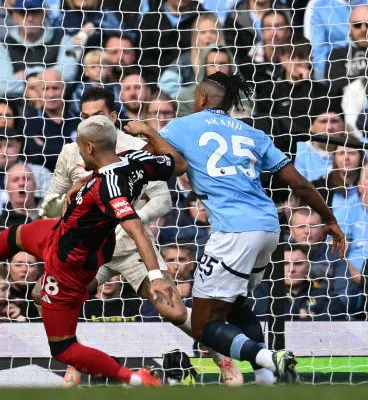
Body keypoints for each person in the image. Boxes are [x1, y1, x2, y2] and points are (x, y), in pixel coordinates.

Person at [0, 115, 189, 387]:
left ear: (90, 148)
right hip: (63, 234)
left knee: (63, 348)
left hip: (67, 264)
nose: (78, 151)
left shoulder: (111, 188)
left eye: (79, 146)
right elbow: (178, 164)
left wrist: (156, 276)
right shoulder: (134, 160)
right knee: (20, 233)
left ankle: (134, 378)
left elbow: (137, 229)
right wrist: (150, 133)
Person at [146, 71, 346, 385]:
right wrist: (330, 219)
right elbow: (300, 185)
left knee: (202, 326)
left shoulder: (182, 125)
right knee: (236, 304)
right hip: (268, 228)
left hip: (233, 232)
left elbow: (169, 161)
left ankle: (271, 358)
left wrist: (147, 131)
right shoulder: (252, 133)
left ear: (200, 99)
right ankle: (267, 379)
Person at [41, 87, 242, 386]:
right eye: (83, 118)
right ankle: (75, 359)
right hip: (90, 252)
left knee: (171, 309)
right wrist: (61, 205)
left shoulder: (137, 148)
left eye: (95, 117)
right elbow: (52, 201)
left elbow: (162, 201)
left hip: (131, 245)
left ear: (112, 116)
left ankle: (221, 357)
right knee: (41, 295)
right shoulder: (72, 151)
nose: (87, 125)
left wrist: (127, 222)